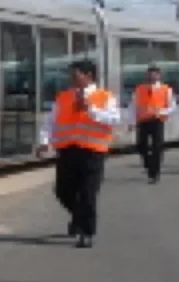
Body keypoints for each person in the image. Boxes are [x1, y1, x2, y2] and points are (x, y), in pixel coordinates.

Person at [36, 60, 121, 248]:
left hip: (93, 151)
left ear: (89, 75)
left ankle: (86, 232)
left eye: (76, 75)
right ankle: (78, 217)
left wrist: (90, 110)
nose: (72, 79)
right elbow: (50, 122)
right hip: (67, 150)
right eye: (71, 75)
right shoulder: (63, 97)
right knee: (62, 191)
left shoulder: (104, 96)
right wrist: (44, 142)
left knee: (88, 193)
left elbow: (114, 119)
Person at [128, 66, 176, 183]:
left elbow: (172, 106)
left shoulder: (166, 89)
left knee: (157, 147)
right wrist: (131, 121)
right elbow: (133, 107)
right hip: (143, 120)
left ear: (159, 76)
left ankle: (155, 173)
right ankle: (148, 163)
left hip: (157, 120)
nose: (152, 76)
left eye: (155, 74)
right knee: (141, 145)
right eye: (150, 74)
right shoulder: (140, 89)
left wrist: (161, 112)